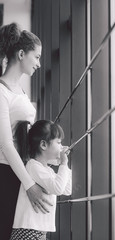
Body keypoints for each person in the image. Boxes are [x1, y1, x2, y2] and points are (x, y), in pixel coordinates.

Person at [0, 22, 52, 239]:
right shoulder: (1, 91)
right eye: (37, 57)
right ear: (21, 54)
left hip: (19, 172)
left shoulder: (19, 91)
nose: (39, 64)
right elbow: (5, 144)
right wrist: (29, 184)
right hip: (6, 174)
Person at [10, 120, 72, 240]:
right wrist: (63, 163)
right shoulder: (33, 166)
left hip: (37, 232)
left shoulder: (47, 170)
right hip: (28, 231)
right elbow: (58, 189)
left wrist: (64, 164)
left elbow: (67, 190)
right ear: (43, 145)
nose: (61, 147)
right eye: (58, 142)